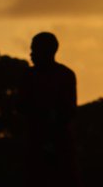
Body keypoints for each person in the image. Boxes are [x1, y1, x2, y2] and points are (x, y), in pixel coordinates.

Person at [20, 31, 79, 186]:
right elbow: (21, 106)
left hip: (59, 146)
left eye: (34, 50)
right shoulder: (28, 76)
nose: (31, 55)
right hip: (34, 145)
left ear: (47, 52)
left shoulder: (64, 76)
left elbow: (68, 111)